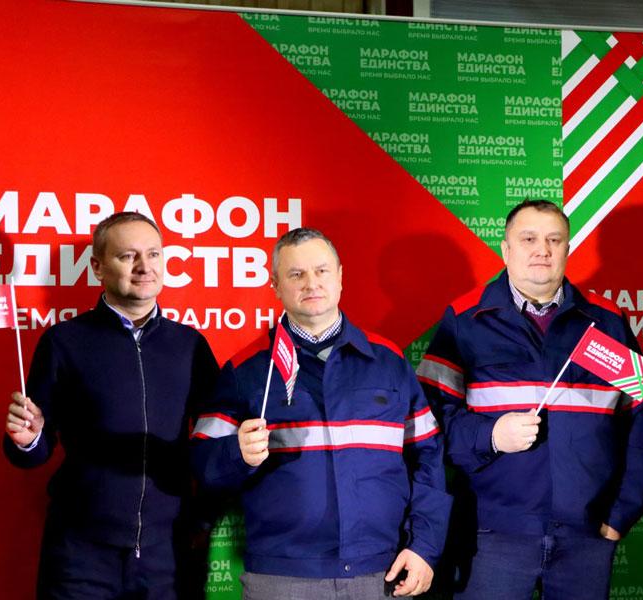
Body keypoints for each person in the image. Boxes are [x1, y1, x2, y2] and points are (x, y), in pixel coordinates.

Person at [417, 200, 643, 599]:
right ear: (506, 249)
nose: (542, 250)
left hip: (587, 536)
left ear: (567, 249)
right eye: (529, 239)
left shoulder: (606, 322)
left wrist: (621, 513)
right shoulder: (465, 320)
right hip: (490, 533)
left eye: (554, 240)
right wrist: (490, 435)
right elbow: (428, 423)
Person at [191, 227, 451, 599]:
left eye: (321, 271)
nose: (311, 283)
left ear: (340, 277)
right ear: (276, 286)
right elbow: (200, 464)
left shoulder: (388, 362)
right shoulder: (245, 370)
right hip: (280, 579)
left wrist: (424, 546)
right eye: (296, 274)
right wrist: (236, 454)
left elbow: (427, 458)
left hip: (381, 572)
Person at [4, 212, 219, 599]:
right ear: (97, 267)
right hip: (80, 555)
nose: (144, 267)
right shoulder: (64, 342)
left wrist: (201, 520)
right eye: (128, 256)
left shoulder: (190, 346)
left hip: (167, 554)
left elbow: (216, 443)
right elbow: (32, 451)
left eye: (153, 254)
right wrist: (27, 439)